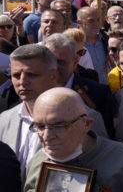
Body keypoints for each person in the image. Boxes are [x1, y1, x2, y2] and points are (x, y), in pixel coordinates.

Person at [0, 45, 108, 182]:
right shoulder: (4, 119)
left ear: (53, 75)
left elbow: (103, 167)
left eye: (31, 74)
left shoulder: (85, 117)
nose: (22, 82)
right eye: (16, 75)